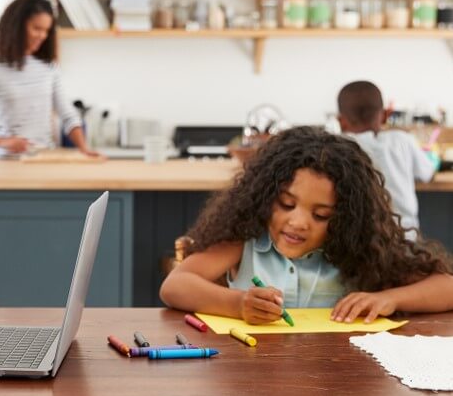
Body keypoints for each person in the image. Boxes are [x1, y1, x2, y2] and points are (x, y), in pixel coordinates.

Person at [160, 126, 453, 325]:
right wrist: (238, 305)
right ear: (264, 197)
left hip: (335, 386)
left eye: (322, 215)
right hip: (251, 383)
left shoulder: (359, 250)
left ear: (345, 218)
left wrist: (389, 298)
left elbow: (447, 287)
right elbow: (175, 286)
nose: (298, 223)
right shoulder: (245, 240)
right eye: (287, 204)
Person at [0, 0, 99, 159]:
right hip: (6, 163)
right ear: (16, 27)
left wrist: (84, 148)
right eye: (36, 28)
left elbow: (68, 115)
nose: (42, 36)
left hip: (42, 160)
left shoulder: (49, 68)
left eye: (46, 31)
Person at [337, 80, 436, 237]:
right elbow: (427, 172)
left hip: (360, 240)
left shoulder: (339, 147)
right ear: (385, 115)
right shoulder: (403, 140)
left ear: (341, 121)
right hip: (406, 237)